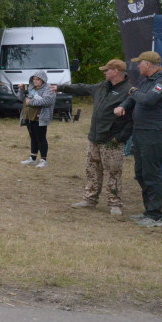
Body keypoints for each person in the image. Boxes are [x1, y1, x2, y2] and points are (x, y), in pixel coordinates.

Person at [56, 58, 133, 216]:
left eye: (107, 70)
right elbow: (82, 88)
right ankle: (89, 199)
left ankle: (115, 203)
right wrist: (59, 87)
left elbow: (133, 121)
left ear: (116, 71)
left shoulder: (130, 92)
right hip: (95, 138)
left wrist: (119, 138)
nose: (104, 72)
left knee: (113, 172)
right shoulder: (102, 86)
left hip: (111, 141)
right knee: (92, 170)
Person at [114, 50, 162, 227]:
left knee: (151, 174)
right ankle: (148, 211)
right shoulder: (147, 80)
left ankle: (156, 216)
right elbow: (133, 99)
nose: (137, 66)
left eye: (139, 63)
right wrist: (123, 105)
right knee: (140, 173)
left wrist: (133, 92)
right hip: (140, 132)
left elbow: (148, 100)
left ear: (148, 64)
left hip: (153, 134)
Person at [19, 70, 55, 167]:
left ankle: (44, 160)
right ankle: (33, 158)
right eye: (34, 79)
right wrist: (21, 90)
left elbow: (47, 101)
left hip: (41, 117)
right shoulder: (31, 88)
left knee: (41, 138)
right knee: (33, 137)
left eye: (38, 79)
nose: (35, 81)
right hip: (29, 117)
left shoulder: (49, 88)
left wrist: (30, 102)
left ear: (43, 80)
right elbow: (22, 99)